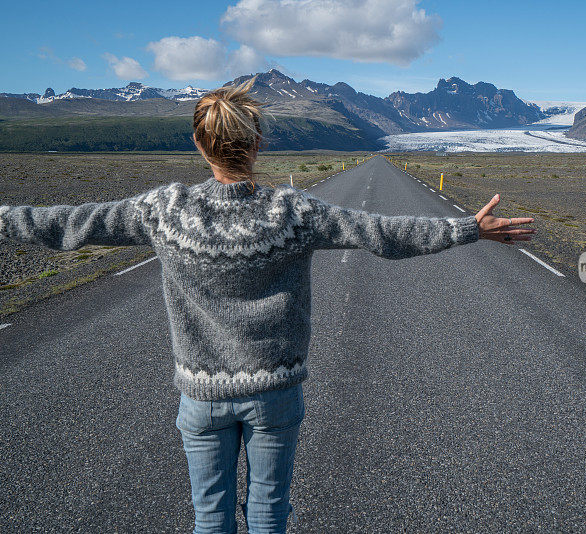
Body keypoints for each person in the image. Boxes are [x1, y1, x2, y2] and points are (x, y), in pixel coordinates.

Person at [0, 76, 535, 534]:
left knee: (209, 519)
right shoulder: (290, 211)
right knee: (269, 515)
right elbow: (381, 233)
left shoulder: (163, 210)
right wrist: (467, 229)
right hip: (274, 392)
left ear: (199, 144)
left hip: (201, 395)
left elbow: (69, 222)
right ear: (256, 143)